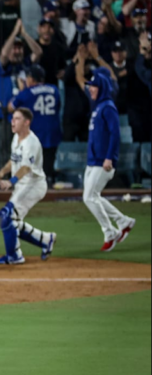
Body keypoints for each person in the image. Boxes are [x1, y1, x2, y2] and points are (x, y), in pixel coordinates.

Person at [0, 108, 56, 265]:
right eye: (13, 118)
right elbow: (14, 161)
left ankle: (15, 256)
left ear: (27, 122)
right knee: (10, 221)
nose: (13, 121)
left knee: (6, 216)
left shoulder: (31, 142)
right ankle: (46, 239)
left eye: (17, 119)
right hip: (22, 186)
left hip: (34, 185)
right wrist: (1, 173)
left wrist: (10, 181)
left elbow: (25, 168)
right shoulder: (16, 138)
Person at [82, 71, 136, 252]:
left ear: (102, 87)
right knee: (93, 197)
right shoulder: (98, 106)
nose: (90, 89)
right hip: (93, 161)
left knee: (89, 197)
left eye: (93, 86)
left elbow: (115, 134)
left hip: (103, 161)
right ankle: (123, 221)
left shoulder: (108, 107)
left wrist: (110, 157)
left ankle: (110, 232)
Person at [11, 64, 61, 185]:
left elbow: (10, 107)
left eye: (27, 77)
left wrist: (21, 90)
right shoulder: (54, 89)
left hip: (36, 132)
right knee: (48, 166)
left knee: (32, 165)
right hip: (53, 131)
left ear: (32, 79)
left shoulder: (27, 93)